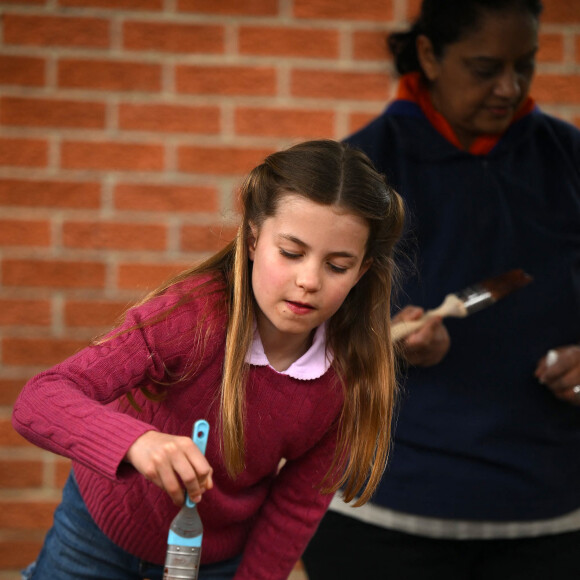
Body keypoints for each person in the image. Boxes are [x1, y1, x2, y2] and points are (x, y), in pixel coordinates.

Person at [11, 139, 405, 580]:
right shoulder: (190, 316)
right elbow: (39, 399)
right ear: (253, 239)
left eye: (337, 266)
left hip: (211, 563)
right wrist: (138, 442)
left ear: (362, 271)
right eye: (291, 253)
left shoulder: (347, 380)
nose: (308, 280)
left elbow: (293, 510)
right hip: (93, 539)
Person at [302, 1, 580, 579]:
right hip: (379, 518)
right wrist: (379, 341)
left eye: (524, 65)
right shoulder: (359, 171)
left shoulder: (569, 159)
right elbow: (296, 332)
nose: (509, 87)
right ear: (428, 55)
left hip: (550, 522)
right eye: (485, 68)